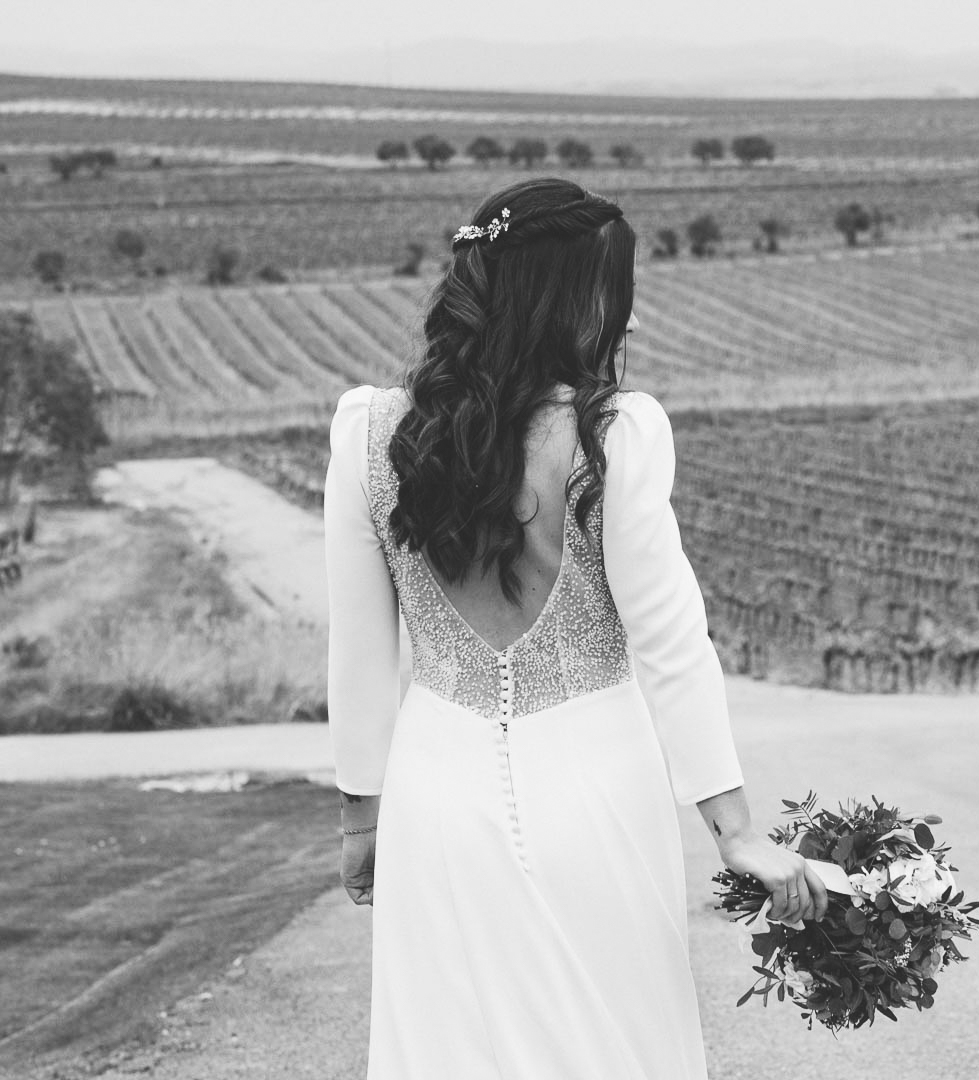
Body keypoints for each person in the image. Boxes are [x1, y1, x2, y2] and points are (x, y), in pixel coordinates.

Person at [323, 177, 827, 1079]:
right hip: (601, 800)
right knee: (616, 1047)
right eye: (614, 297)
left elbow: (359, 654)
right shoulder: (615, 435)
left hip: (437, 809)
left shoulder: (370, 434)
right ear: (562, 299)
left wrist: (363, 819)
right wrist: (736, 830)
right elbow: (673, 644)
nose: (627, 324)